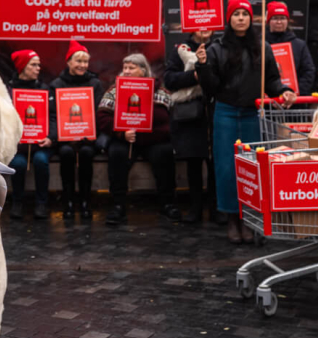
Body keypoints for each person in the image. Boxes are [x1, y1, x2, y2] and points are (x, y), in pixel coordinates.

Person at [197, 0, 295, 243]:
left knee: (250, 168)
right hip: (226, 114)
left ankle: (248, 219)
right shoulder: (215, 49)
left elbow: (271, 80)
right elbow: (211, 88)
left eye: (245, 14)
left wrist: (282, 91)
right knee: (227, 169)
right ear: (229, 19)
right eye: (236, 14)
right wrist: (202, 66)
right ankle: (232, 219)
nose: (241, 18)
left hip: (252, 114)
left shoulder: (262, 47)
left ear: (251, 18)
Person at [98, 53, 176, 225]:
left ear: (143, 70)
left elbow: (167, 120)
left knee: (164, 152)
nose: (126, 71)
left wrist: (148, 132)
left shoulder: (160, 91)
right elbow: (102, 117)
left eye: (131, 68)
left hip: (153, 140)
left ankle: (167, 204)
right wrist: (121, 132)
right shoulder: (114, 90)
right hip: (125, 138)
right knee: (117, 153)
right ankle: (118, 206)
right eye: (124, 68)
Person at [48, 40, 104, 220]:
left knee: (87, 154)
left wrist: (89, 134)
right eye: (78, 61)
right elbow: (53, 115)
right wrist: (62, 136)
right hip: (64, 140)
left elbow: (98, 112)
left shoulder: (95, 84)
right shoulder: (57, 84)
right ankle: (68, 201)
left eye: (85, 62)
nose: (82, 65)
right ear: (69, 62)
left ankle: (86, 201)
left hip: (88, 138)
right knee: (66, 154)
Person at [164, 30, 213, 224]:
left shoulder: (218, 47)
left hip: (214, 110)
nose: (204, 28)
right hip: (190, 114)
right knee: (193, 162)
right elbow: (170, 79)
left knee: (214, 163)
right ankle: (195, 208)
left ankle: (216, 208)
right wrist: (195, 76)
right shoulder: (179, 50)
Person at [6, 50, 53, 220]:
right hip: (17, 145)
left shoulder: (45, 89)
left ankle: (41, 203)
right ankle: (17, 202)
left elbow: (53, 117)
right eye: (33, 64)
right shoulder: (8, 90)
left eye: (38, 64)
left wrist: (50, 138)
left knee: (41, 161)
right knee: (17, 164)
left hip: (41, 143)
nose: (38, 68)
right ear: (22, 67)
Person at [264, 1, 315, 96]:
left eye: (282, 18)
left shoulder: (300, 45)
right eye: (275, 18)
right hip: (268, 102)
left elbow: (308, 71)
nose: (279, 22)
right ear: (268, 21)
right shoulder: (260, 45)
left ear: (287, 21)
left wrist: (296, 93)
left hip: (295, 101)